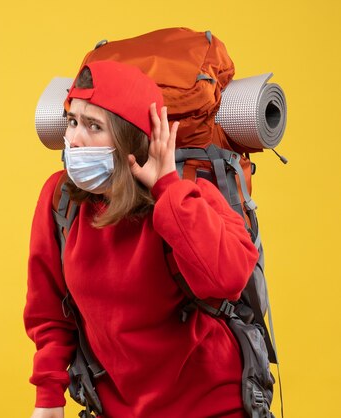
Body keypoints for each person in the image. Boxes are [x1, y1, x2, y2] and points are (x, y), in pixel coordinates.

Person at [24, 60, 259, 418]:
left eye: (93, 126)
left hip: (211, 406)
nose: (73, 139)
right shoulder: (61, 201)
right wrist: (48, 398)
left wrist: (168, 188)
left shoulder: (191, 196)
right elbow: (49, 313)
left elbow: (226, 280)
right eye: (72, 121)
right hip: (116, 409)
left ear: (129, 139)